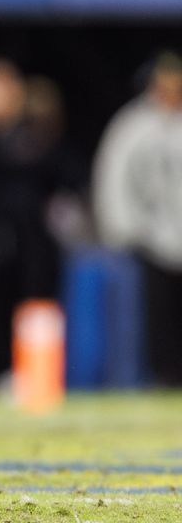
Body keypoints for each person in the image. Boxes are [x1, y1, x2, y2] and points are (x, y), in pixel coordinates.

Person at [93, 52, 182, 386]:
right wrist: (121, 227)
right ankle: (159, 376)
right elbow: (113, 177)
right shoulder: (132, 125)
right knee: (153, 320)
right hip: (148, 239)